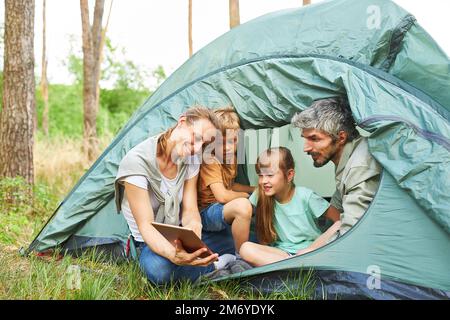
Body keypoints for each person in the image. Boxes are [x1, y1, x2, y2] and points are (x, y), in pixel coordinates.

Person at [114, 106, 234, 284]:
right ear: (182, 123)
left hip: (180, 234)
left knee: (237, 241)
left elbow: (190, 209)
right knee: (159, 271)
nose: (198, 148)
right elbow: (145, 226)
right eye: (197, 138)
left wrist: (194, 228)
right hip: (150, 242)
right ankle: (215, 267)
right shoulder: (137, 163)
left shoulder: (191, 158)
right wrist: (173, 255)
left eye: (205, 144)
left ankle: (203, 262)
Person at [291, 96, 382, 254]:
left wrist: (309, 256)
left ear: (341, 137)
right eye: (305, 139)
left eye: (314, 139)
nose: (306, 148)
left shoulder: (360, 166)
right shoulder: (346, 158)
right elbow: (337, 211)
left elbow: (352, 234)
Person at [239, 147, 340, 267]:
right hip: (283, 254)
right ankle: (294, 267)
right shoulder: (260, 195)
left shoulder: (305, 196)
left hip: (309, 252)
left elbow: (340, 221)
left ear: (289, 174)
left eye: (270, 175)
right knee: (245, 248)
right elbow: (240, 208)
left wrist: (312, 249)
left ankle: (292, 267)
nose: (263, 181)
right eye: (260, 175)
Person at [197, 107, 255, 256]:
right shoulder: (210, 160)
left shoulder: (231, 158)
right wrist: (247, 196)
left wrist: (254, 189)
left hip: (221, 208)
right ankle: (241, 256)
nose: (228, 148)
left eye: (233, 141)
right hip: (206, 212)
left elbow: (231, 185)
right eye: (221, 143)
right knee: (243, 206)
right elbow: (222, 196)